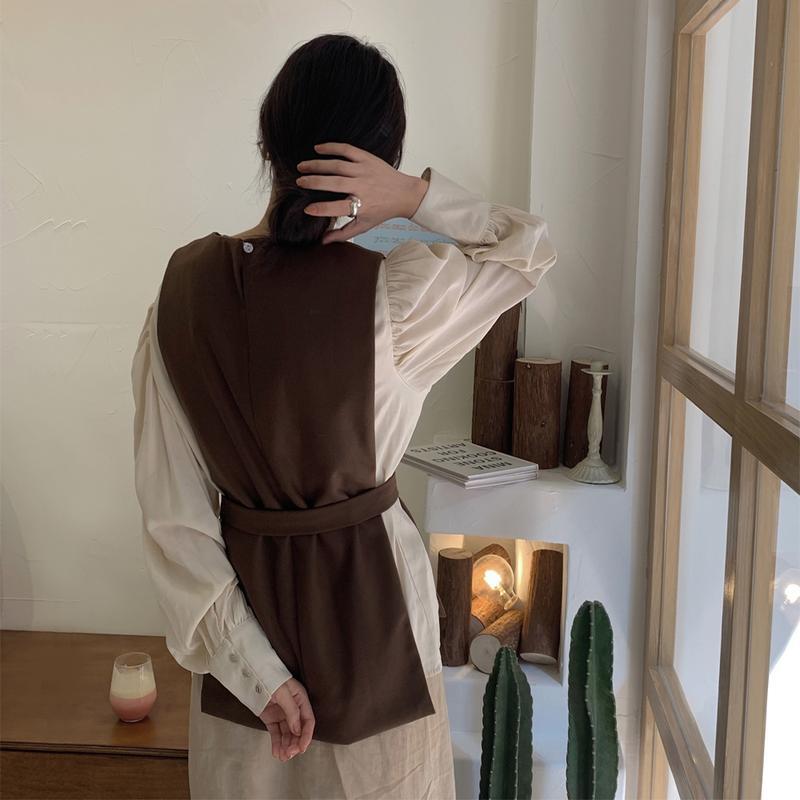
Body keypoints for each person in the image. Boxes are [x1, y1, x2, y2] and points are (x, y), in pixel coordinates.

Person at [131, 32, 556, 800]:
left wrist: (257, 671)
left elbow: (174, 522)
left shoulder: (182, 296)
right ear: (378, 162)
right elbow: (528, 248)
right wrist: (414, 196)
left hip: (244, 670)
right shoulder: (399, 300)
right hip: (379, 636)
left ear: (267, 143)